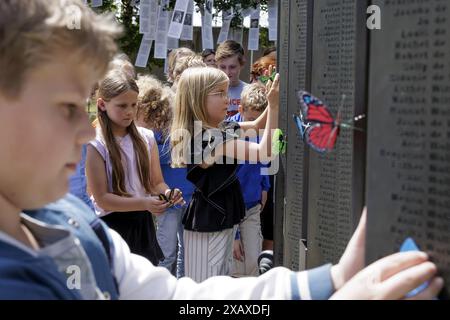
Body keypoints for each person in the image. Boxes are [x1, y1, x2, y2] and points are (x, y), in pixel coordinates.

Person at [0, 0, 443, 300]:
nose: (85, 131)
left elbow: (181, 298)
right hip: (207, 226)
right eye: (64, 107)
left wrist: (335, 279)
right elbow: (265, 149)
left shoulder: (70, 225)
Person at [86, 70, 183, 266]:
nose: (129, 111)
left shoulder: (146, 137)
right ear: (102, 104)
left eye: (133, 105)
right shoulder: (95, 143)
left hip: (142, 224)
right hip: (112, 227)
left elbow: (155, 182)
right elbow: (102, 199)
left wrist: (167, 192)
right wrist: (144, 203)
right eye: (122, 106)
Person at [135, 74, 193, 278]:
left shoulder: (173, 128)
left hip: (186, 195)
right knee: (166, 252)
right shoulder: (144, 135)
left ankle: (181, 289)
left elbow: (178, 154)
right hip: (165, 200)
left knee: (186, 253)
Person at [229, 83, 271, 277]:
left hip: (253, 204)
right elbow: (227, 178)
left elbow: (265, 159)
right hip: (232, 207)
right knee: (237, 261)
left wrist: (265, 187)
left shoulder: (261, 131)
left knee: (253, 259)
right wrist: (234, 234)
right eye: (253, 119)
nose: (257, 125)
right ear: (241, 110)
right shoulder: (231, 132)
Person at [216, 40, 248, 117]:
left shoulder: (249, 91)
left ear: (241, 65)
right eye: (223, 67)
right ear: (217, 65)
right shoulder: (211, 91)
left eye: (232, 67)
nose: (227, 72)